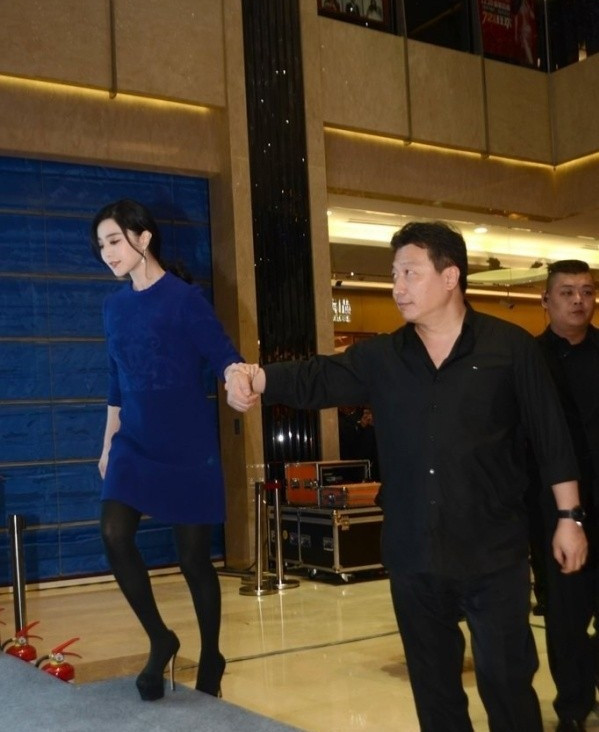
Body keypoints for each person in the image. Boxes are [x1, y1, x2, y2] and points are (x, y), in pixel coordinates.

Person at [226, 221, 588, 731]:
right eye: (394, 275)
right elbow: (318, 377)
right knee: (434, 691)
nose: (397, 287)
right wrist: (253, 375)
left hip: (494, 551)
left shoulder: (510, 348)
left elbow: (552, 438)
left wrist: (570, 517)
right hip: (414, 552)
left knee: (507, 683)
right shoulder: (383, 357)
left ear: (449, 277)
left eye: (409, 273)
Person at [91, 198, 250, 701]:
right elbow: (116, 380)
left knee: (194, 561)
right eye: (100, 245)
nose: (106, 253)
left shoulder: (184, 300)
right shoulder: (114, 307)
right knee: (114, 533)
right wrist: (107, 444)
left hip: (188, 447)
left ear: (143, 238)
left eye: (114, 241)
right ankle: (161, 639)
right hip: (133, 443)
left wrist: (236, 379)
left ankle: (212, 655)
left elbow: (224, 355)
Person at [528, 259, 599, 731]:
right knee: (565, 616)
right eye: (567, 292)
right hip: (554, 513)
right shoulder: (528, 360)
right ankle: (573, 708)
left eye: (587, 292)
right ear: (546, 300)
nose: (579, 300)